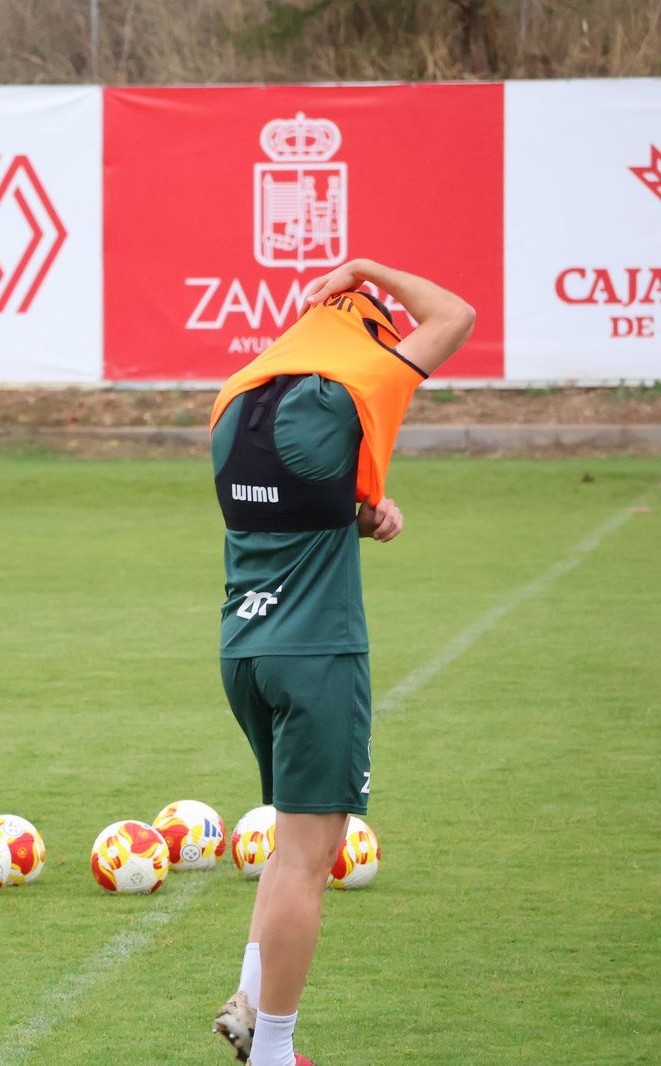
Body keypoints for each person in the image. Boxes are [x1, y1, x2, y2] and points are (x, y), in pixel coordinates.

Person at [208, 260, 474, 1066]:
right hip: (317, 652)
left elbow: (287, 504)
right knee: (307, 862)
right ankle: (276, 1050)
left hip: (244, 652)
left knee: (289, 852)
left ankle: (249, 1003)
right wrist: (364, 269)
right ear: (362, 335)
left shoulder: (237, 402)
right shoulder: (339, 391)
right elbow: (455, 313)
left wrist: (359, 515)